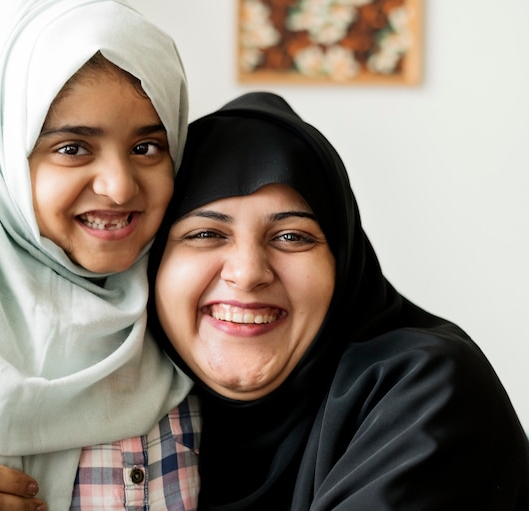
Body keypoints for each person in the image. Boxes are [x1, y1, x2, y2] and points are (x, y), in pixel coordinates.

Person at [145, 91, 529, 509]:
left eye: (292, 236)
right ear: (153, 263)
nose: (249, 272)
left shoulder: (426, 389)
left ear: (343, 263)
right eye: (206, 234)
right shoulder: (126, 404)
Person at [0, 0, 199, 510]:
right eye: (72, 148)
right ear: (0, 160)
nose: (118, 186)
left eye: (147, 147)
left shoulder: (197, 323)